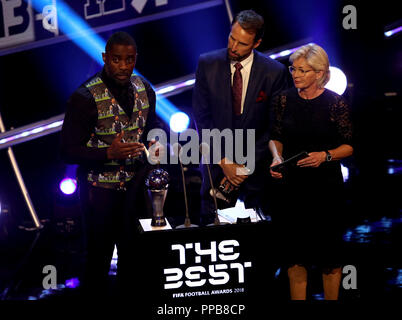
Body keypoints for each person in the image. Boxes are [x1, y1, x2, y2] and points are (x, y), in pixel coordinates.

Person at [60, 31, 161, 298]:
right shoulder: (84, 97)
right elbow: (67, 151)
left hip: (136, 188)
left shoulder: (144, 88)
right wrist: (108, 153)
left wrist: (157, 143)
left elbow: (154, 128)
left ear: (135, 58)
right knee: (98, 257)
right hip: (98, 192)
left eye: (129, 59)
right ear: (105, 58)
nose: (123, 66)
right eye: (116, 59)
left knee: (134, 254)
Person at [268, 44, 354, 300]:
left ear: (319, 73)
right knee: (295, 260)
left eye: (302, 70)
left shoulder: (335, 103)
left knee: (329, 260)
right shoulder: (283, 99)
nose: (295, 74)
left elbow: (349, 145)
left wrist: (325, 156)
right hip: (293, 190)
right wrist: (276, 157)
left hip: (326, 190)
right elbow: (276, 136)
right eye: (293, 69)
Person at [193, 9, 289, 225]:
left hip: (256, 171)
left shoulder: (274, 72)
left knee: (258, 240)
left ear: (256, 43)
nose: (233, 47)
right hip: (217, 167)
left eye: (242, 43)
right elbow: (202, 117)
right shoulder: (207, 64)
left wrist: (244, 166)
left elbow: (275, 125)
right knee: (212, 232)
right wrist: (224, 160)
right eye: (231, 38)